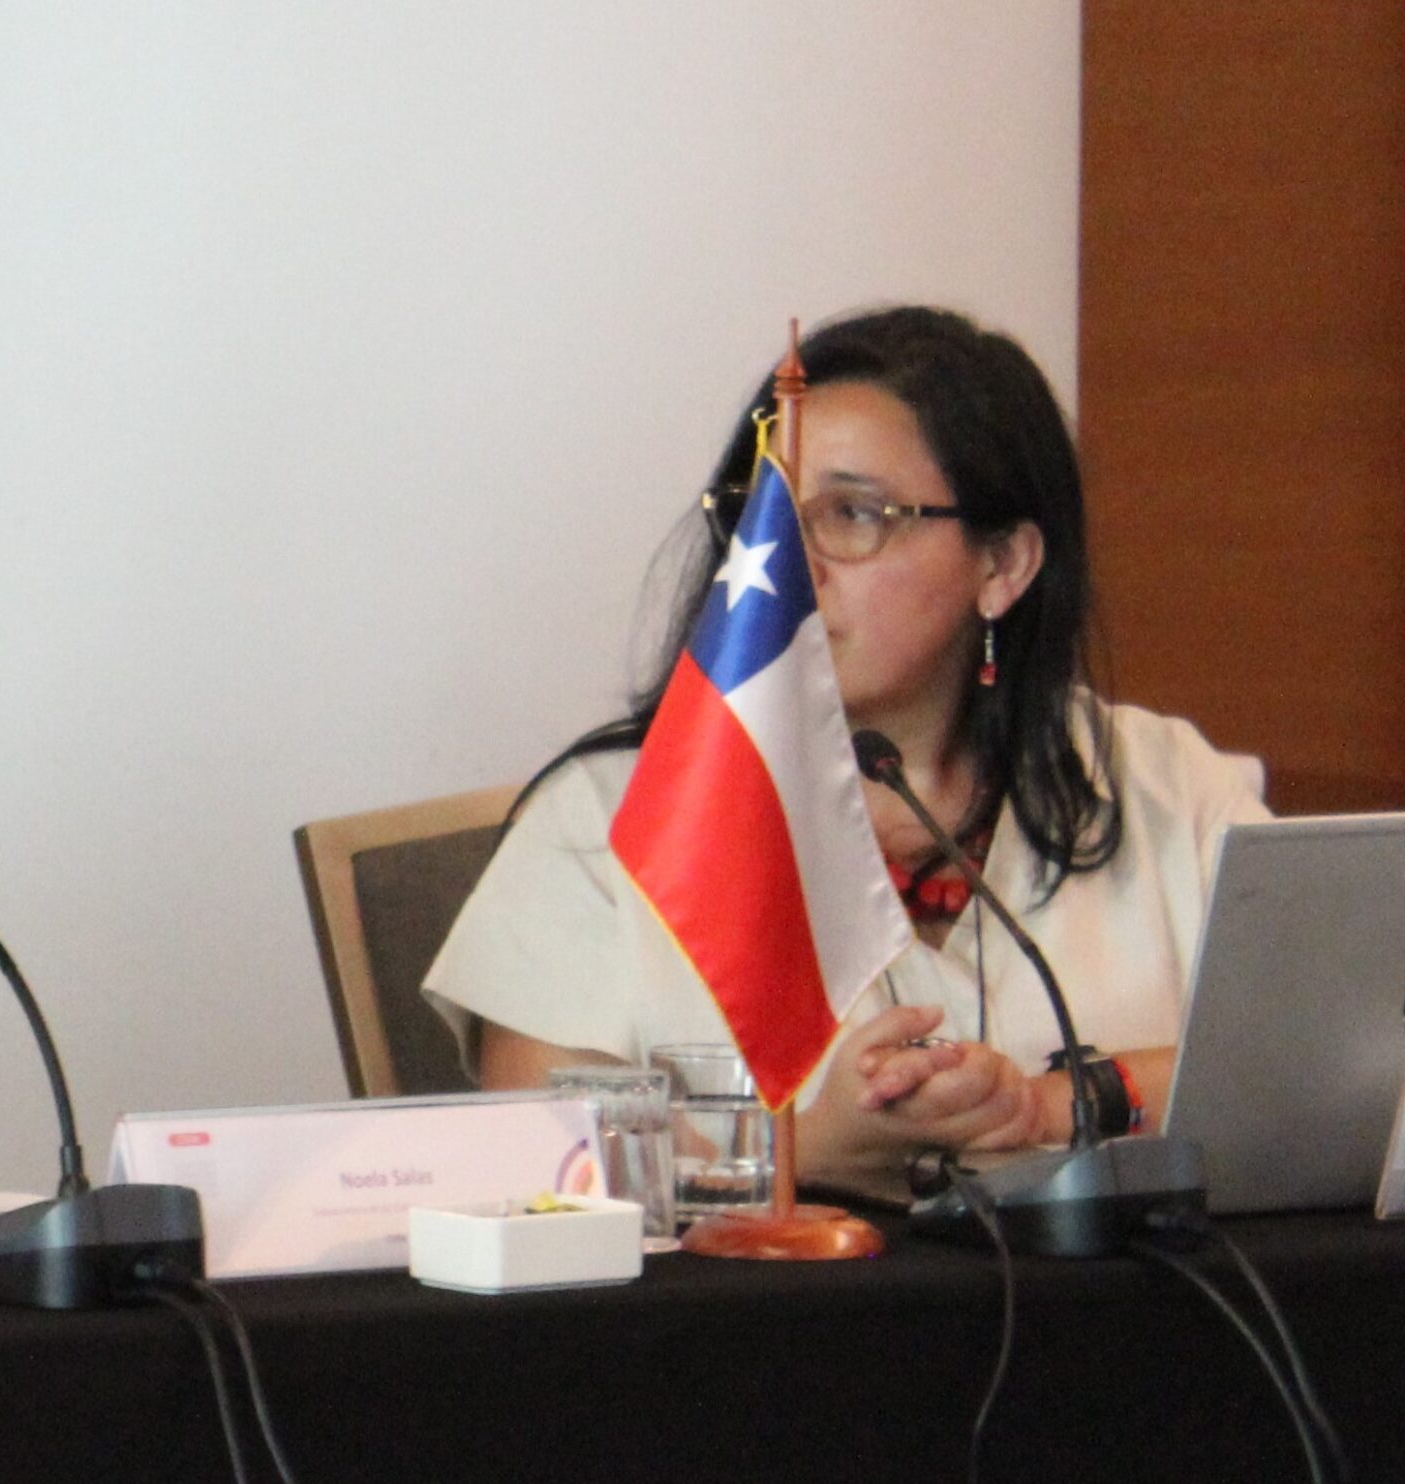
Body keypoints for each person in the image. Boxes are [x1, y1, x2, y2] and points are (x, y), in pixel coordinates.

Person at [425, 305, 1267, 1198]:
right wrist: (808, 1150)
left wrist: (1053, 1104)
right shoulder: (604, 820)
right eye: (764, 517)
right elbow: (537, 1166)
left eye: (854, 514)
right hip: (749, 1294)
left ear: (1002, 567)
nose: (791, 564)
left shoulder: (1164, 784)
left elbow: (1329, 1063)